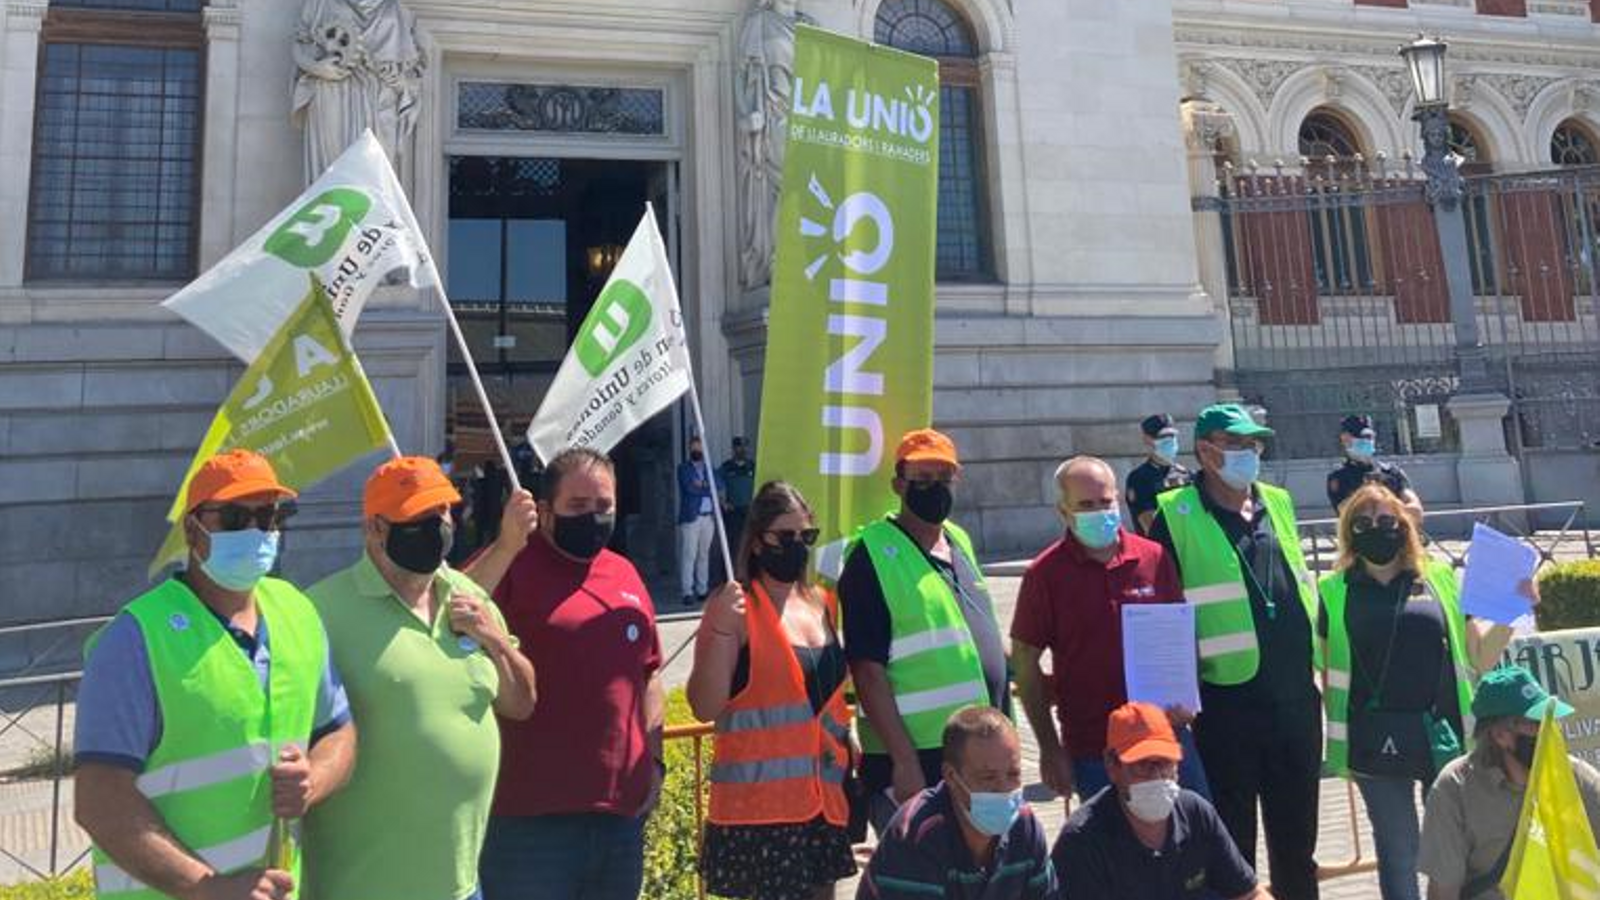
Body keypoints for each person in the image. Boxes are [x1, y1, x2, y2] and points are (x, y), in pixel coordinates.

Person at [75, 450, 356, 900]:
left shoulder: (297, 612)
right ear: (192, 529)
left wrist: (314, 779)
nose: (255, 531)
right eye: (233, 516)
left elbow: (339, 731)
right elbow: (99, 800)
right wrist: (206, 887)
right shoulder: (133, 639)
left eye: (268, 516)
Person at [303, 457, 537, 900]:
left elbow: (521, 702)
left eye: (442, 514)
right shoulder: (320, 610)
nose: (436, 528)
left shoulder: (470, 597)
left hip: (462, 886)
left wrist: (493, 639)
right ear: (375, 528)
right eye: (418, 518)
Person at [1147, 403, 1322, 900]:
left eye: (1254, 444)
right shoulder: (1173, 514)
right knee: (1231, 848)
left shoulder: (1278, 502)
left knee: (1297, 847)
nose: (1249, 454)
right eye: (1237, 444)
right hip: (1225, 705)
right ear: (1205, 451)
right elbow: (1159, 612)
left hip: (1294, 701)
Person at [1319, 484, 1523, 900]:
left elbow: (1478, 657)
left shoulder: (1439, 579)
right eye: (1362, 522)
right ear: (1348, 532)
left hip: (1443, 735)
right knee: (1399, 853)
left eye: (1386, 520)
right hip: (1374, 740)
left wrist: (1510, 609)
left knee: (1458, 847)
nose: (1376, 529)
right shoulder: (1331, 590)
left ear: (1404, 525)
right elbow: (1324, 666)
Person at [480, 447, 666, 900]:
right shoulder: (511, 564)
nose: (594, 518)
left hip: (618, 819)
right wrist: (506, 544)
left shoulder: (624, 572)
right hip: (529, 824)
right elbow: (447, 610)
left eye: (604, 507)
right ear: (544, 512)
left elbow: (650, 673)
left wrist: (654, 763)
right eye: (578, 507)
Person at [688, 481, 856, 900]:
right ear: (758, 541)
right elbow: (704, 705)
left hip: (823, 804)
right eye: (785, 536)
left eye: (806, 536)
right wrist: (723, 627)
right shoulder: (736, 608)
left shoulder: (822, 602)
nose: (797, 545)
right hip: (760, 816)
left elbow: (829, 701)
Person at [839, 429, 1010, 834]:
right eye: (922, 479)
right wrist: (904, 760)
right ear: (899, 484)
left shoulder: (959, 540)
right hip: (919, 757)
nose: (934, 488)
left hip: (977, 750)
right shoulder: (871, 556)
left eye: (943, 478)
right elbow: (867, 670)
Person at [1013, 456, 1207, 804]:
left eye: (1106, 502)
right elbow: (1025, 660)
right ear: (1063, 511)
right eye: (1086, 505)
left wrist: (1186, 695)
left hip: (1166, 737)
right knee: (1112, 855)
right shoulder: (1045, 574)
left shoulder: (1154, 558)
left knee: (1193, 841)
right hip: (1095, 750)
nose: (1099, 512)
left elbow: (1179, 634)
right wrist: (1048, 748)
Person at [1052, 702, 1267, 900]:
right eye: (1142, 765)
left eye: (1165, 763)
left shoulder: (1196, 813)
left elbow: (1249, 894)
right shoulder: (1082, 841)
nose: (1155, 776)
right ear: (1111, 765)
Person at [1419, 666, 1600, 900]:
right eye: (1537, 723)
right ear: (1500, 735)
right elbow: (1443, 891)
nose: (1550, 731)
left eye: (1550, 721)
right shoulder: (1454, 789)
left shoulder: (1573, 774)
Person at [856, 707, 1055, 900]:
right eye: (988, 777)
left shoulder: (1025, 826)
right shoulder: (916, 834)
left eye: (1013, 774)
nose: (1004, 789)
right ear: (951, 776)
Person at [1327, 414, 1422, 520]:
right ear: (1345, 439)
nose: (1367, 441)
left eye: (1369, 437)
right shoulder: (1339, 478)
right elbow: (1351, 515)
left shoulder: (1392, 472)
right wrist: (1396, 507)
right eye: (1361, 438)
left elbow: (1416, 511)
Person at [1125, 413, 1192, 537]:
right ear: (1147, 439)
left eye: (1172, 435)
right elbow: (1151, 526)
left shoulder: (1187, 474)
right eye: (1162, 437)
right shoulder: (1139, 478)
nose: (1169, 440)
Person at [678, 435, 717, 607]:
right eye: (694, 447)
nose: (697, 451)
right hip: (691, 518)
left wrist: (703, 485)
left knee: (703, 555)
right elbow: (689, 489)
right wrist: (707, 488)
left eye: (699, 448)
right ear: (689, 449)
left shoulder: (710, 468)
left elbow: (719, 486)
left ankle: (702, 590)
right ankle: (687, 591)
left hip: (708, 517)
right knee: (689, 555)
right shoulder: (683, 468)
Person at [713, 436, 758, 587]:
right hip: (732, 513)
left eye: (744, 446)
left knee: (749, 545)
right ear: (734, 449)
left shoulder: (752, 466)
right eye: (739, 447)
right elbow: (715, 484)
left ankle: (747, 577)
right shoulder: (726, 467)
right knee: (732, 546)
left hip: (749, 512)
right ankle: (728, 578)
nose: (742, 450)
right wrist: (723, 502)